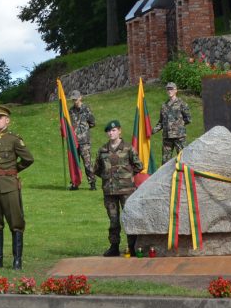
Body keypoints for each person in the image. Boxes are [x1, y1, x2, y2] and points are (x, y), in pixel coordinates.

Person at [0, 105, 34, 270]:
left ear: (7, 120)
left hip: (10, 186)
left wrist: (13, 171)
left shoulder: (14, 139)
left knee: (16, 223)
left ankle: (17, 260)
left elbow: (28, 159)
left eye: (0, 118)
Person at [93, 120, 143, 257]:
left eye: (114, 130)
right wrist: (108, 178)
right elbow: (97, 169)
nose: (111, 133)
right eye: (109, 131)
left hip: (126, 191)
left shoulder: (128, 148)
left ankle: (132, 246)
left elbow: (139, 165)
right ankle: (114, 247)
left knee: (129, 218)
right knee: (113, 220)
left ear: (119, 131)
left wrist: (126, 176)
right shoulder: (103, 150)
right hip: (110, 191)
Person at [152, 82, 192, 164]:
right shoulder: (164, 106)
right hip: (167, 138)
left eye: (171, 89)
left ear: (175, 90)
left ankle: (183, 177)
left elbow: (188, 119)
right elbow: (161, 122)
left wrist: (179, 126)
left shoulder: (182, 104)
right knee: (165, 162)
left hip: (179, 137)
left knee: (183, 160)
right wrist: (151, 131)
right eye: (168, 89)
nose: (169, 91)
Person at [68, 90, 97, 191]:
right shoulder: (70, 111)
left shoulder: (86, 109)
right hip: (73, 141)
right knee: (75, 163)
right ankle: (75, 183)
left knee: (87, 163)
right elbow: (68, 124)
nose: (74, 101)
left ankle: (92, 183)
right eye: (73, 99)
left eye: (76, 99)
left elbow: (93, 122)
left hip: (84, 141)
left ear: (80, 97)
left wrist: (84, 130)